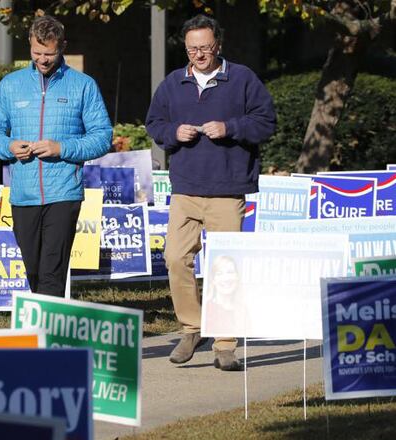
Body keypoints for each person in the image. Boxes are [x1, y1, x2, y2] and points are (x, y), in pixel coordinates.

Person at [145, 15, 276, 371]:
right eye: (192, 48)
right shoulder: (173, 83)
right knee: (175, 258)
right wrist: (174, 133)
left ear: (217, 45)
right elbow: (154, 124)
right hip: (185, 188)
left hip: (227, 189)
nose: (198, 54)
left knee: (225, 268)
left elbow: (266, 122)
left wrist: (230, 127)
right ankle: (192, 327)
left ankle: (225, 343)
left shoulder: (243, 78)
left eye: (204, 47)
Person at [0, 15, 112, 297]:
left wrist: (61, 148)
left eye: (49, 54)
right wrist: (8, 146)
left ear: (62, 46)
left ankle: (46, 336)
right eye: (36, 52)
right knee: (33, 270)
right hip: (23, 192)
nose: (42, 59)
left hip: (64, 191)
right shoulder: (11, 85)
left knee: (52, 271)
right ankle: (46, 326)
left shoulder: (83, 85)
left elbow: (102, 137)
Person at [202, 255, 243, 337]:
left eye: (230, 272)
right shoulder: (208, 310)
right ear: (213, 279)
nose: (226, 278)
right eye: (219, 273)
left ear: (237, 276)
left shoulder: (244, 309)